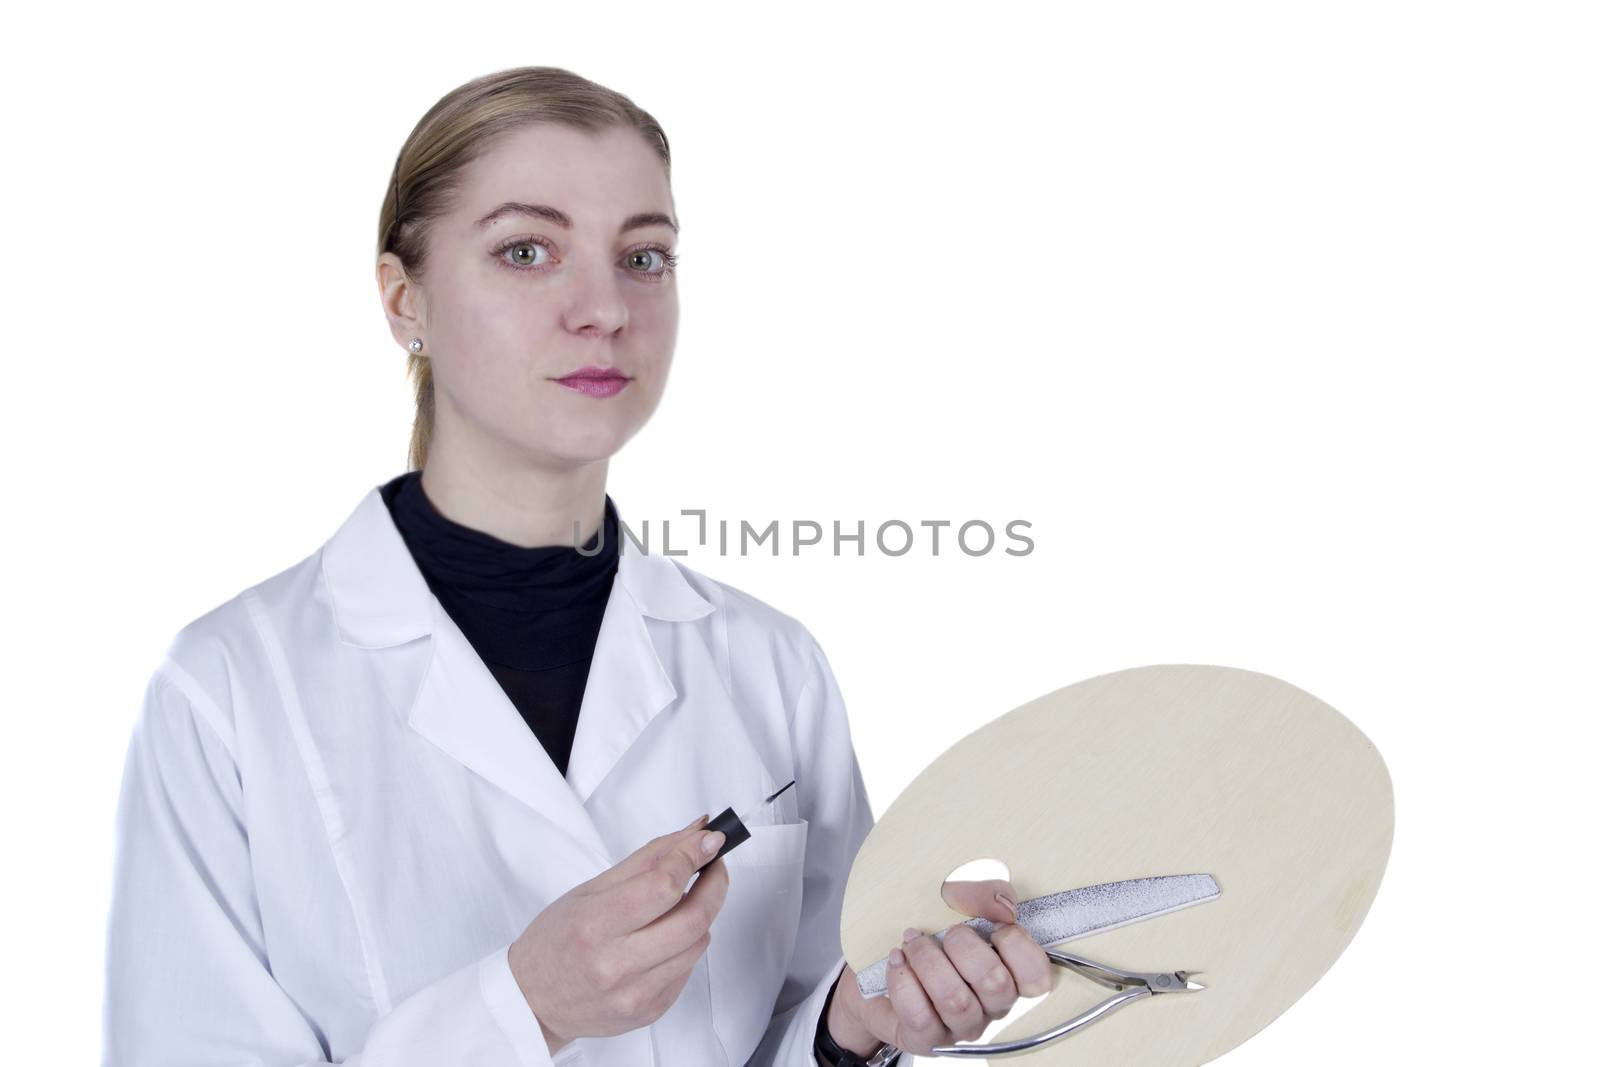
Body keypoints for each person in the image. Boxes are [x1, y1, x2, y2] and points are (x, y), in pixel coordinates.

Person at [100, 66, 1052, 1067]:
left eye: (643, 255)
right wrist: (522, 1008)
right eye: (525, 250)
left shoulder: (770, 663)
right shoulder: (229, 689)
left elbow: (802, 1013)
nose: (604, 307)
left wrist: (851, 1028)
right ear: (401, 297)